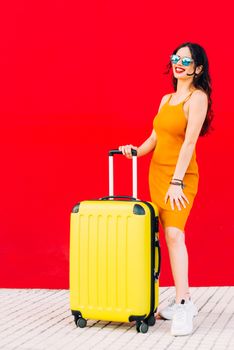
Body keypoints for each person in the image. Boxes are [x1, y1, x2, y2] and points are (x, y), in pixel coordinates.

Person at [119, 42, 213, 336]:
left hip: (181, 177)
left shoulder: (197, 98)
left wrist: (177, 181)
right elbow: (154, 137)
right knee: (160, 235)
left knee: (174, 234)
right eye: (176, 58)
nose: (179, 64)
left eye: (186, 60)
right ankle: (180, 299)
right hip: (157, 175)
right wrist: (135, 150)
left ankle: (184, 303)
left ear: (197, 68)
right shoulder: (165, 99)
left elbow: (189, 143)